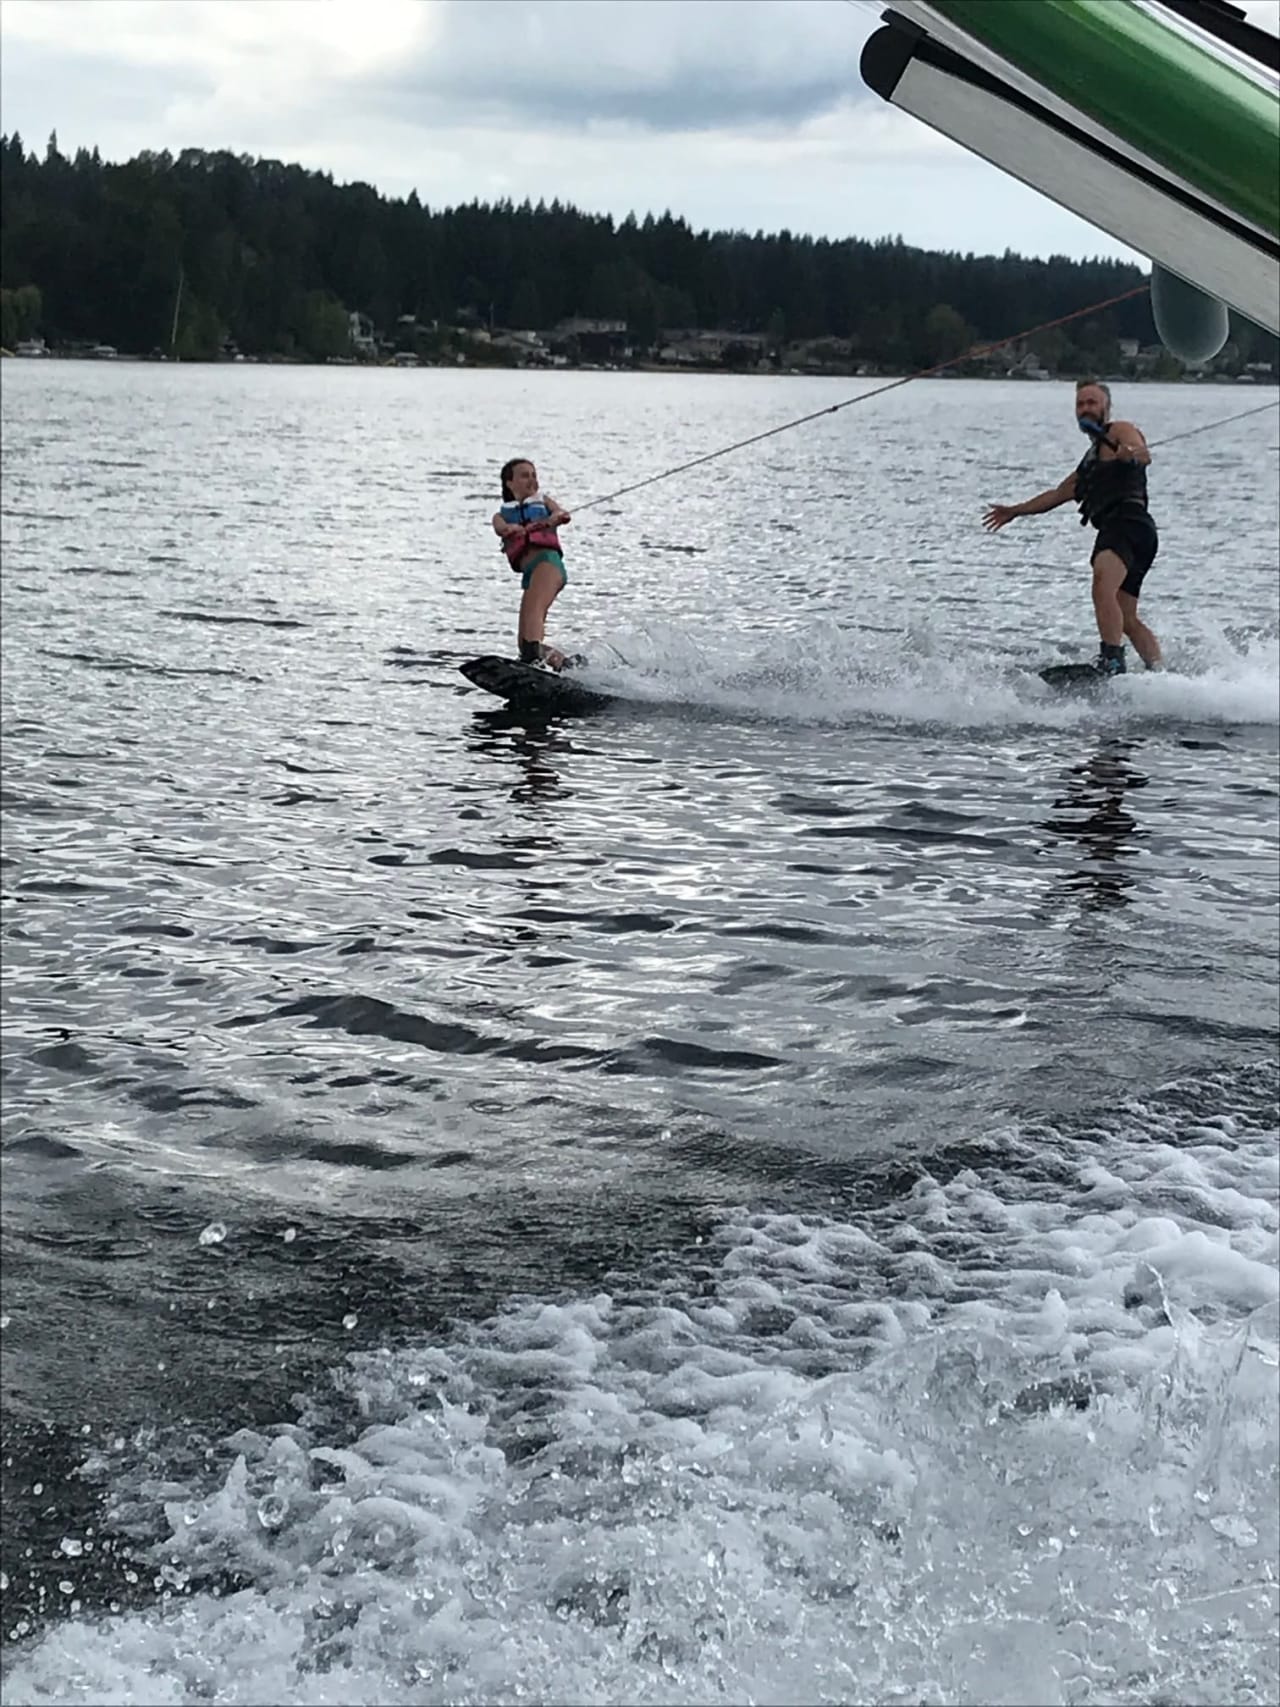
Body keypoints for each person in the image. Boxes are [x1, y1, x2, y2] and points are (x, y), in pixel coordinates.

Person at [982, 379, 1162, 675]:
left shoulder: (1119, 431)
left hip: (1127, 524)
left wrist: (1130, 453)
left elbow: (1143, 453)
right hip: (1139, 534)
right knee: (1126, 616)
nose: (1085, 409)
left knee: (1102, 584)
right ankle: (1160, 672)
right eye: (1080, 404)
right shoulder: (1089, 463)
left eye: (1092, 402)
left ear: (1106, 406)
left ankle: (1112, 662)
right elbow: (1056, 494)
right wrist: (1014, 511)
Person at [492, 457, 572, 671]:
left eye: (534, 475)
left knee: (534, 615)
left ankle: (533, 663)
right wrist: (511, 529)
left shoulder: (543, 501)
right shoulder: (501, 515)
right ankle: (565, 664)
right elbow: (501, 528)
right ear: (510, 483)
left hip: (547, 564)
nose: (532, 480)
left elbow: (561, 513)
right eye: (525, 475)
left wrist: (554, 518)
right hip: (532, 572)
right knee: (525, 642)